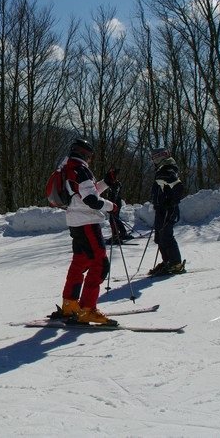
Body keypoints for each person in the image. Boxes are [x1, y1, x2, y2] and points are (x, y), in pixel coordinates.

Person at [57, 139, 121, 325]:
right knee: (100, 264)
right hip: (87, 222)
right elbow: (91, 200)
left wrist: (106, 182)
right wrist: (111, 206)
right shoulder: (81, 170)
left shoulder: (69, 168)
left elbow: (85, 193)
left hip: (76, 222)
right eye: (90, 156)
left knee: (80, 261)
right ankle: (87, 309)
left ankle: (70, 305)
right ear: (86, 154)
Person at [147, 147, 186, 276]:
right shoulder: (163, 169)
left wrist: (171, 202)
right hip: (161, 209)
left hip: (167, 210)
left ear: (159, 157)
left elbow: (179, 187)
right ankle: (168, 261)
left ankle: (176, 263)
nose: (153, 160)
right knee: (159, 237)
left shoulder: (167, 170)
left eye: (154, 157)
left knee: (166, 235)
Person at [102, 169, 135, 245]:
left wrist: (111, 205)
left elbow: (114, 195)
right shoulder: (114, 184)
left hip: (115, 204)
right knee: (115, 219)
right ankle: (123, 233)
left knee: (113, 219)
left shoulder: (116, 184)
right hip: (115, 203)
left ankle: (116, 237)